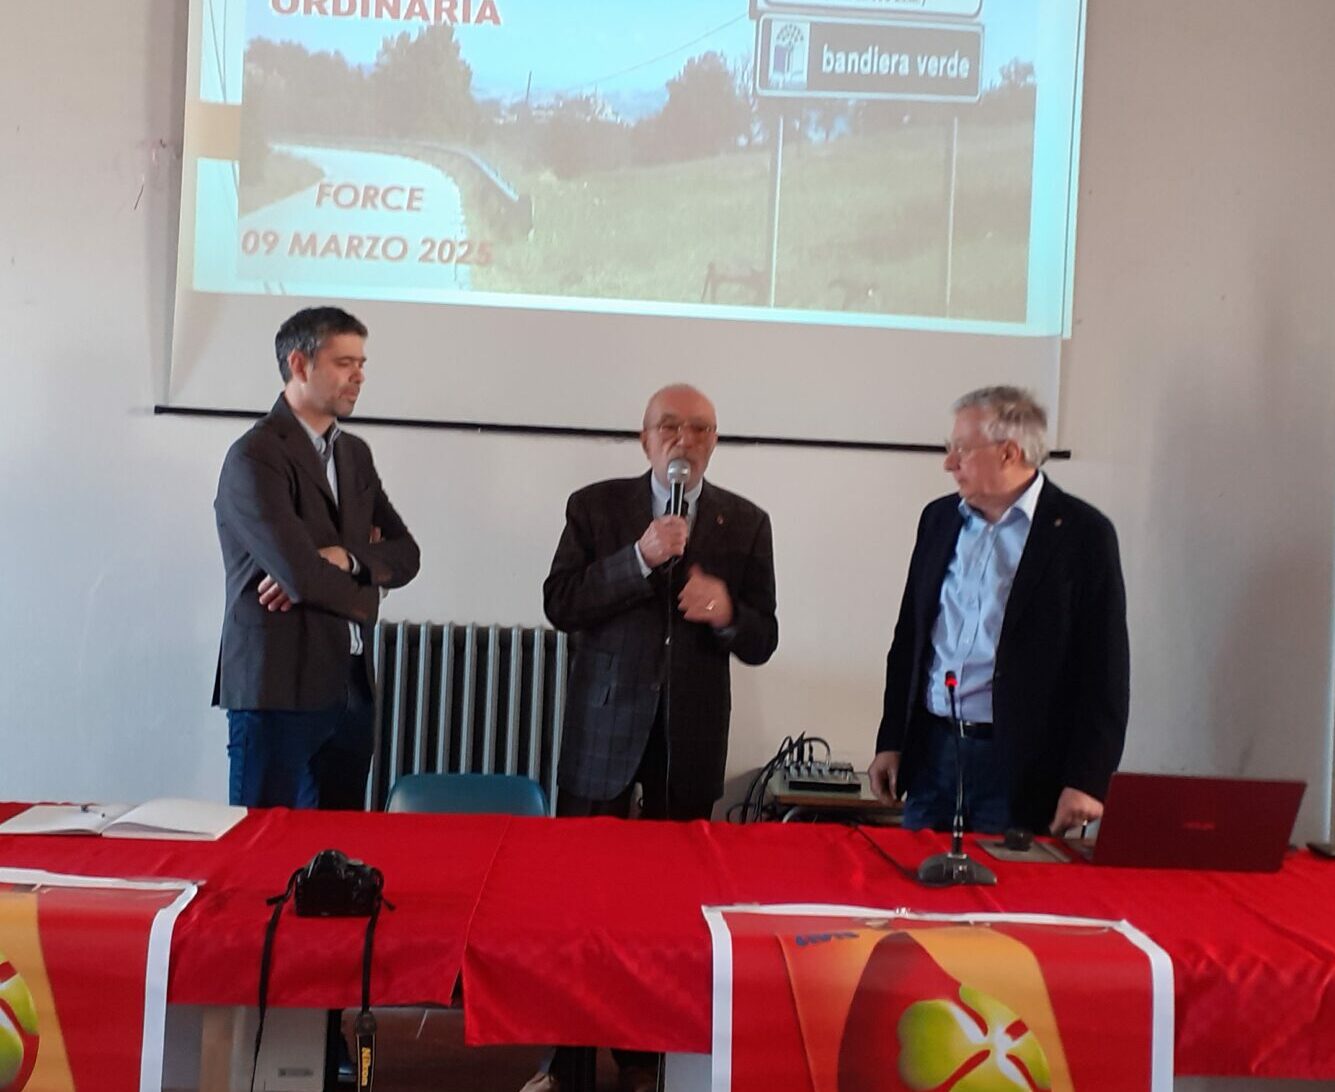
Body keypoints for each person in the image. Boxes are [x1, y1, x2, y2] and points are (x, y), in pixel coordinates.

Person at [528, 383, 778, 1092]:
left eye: (700, 429)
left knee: (671, 912)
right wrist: (637, 558)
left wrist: (727, 611)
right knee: (581, 905)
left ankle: (648, 1058)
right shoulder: (596, 507)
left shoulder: (745, 521)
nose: (683, 440)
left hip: (689, 737)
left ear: (713, 443)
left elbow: (762, 637)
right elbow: (560, 603)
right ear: (644, 439)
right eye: (669, 426)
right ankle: (566, 1061)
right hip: (602, 730)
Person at [869, 386, 1128, 836]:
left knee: (1006, 881)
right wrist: (891, 740)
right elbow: (909, 639)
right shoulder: (939, 520)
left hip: (1020, 766)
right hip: (933, 753)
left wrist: (1088, 780)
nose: (949, 463)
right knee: (914, 875)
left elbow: (1105, 670)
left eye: (962, 450)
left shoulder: (1082, 534)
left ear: (1008, 452)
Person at [213, 305, 420, 811]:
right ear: (299, 365)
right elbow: (301, 576)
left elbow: (407, 555)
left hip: (349, 690)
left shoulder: (354, 455)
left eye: (362, 363)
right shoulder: (256, 455)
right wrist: (367, 588)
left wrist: (346, 558)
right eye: (344, 363)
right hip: (278, 691)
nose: (359, 376)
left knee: (336, 847)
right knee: (264, 845)